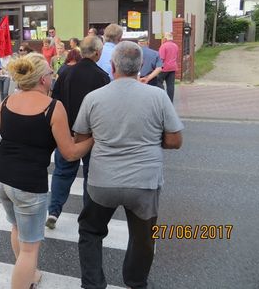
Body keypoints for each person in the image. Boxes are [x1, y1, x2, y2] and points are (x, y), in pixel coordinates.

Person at [73, 41, 183, 289]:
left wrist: (104, 136)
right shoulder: (158, 95)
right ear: (141, 66)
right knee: (143, 238)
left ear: (112, 66)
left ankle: (93, 284)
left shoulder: (93, 98)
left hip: (102, 181)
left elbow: (80, 139)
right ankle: (135, 282)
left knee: (90, 231)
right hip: (144, 182)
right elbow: (175, 140)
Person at [0, 53, 93, 289]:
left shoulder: (8, 101)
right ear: (43, 79)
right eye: (51, 74)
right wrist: (93, 139)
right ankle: (26, 278)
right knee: (30, 247)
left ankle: (29, 275)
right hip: (29, 184)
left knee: (17, 228)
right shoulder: (53, 107)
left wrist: (0, 156)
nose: (53, 78)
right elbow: (71, 152)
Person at [46, 36, 109, 229]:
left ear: (81, 52)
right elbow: (104, 110)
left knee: (62, 172)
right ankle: (87, 215)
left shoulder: (66, 72)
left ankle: (54, 211)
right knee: (91, 174)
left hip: (67, 132)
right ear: (98, 53)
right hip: (91, 136)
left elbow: (54, 101)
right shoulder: (102, 77)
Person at [158, 32, 179, 102]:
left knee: (158, 81)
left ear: (165, 38)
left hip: (164, 68)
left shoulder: (164, 46)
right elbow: (176, 56)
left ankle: (163, 97)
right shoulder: (175, 46)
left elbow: (161, 58)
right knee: (170, 85)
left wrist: (157, 67)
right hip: (173, 68)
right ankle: (170, 101)